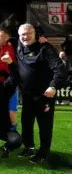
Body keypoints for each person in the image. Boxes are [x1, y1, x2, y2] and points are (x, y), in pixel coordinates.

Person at [15, 24, 66, 163]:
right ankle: (29, 147)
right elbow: (0, 37)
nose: (25, 36)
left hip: (44, 96)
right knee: (26, 122)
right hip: (27, 95)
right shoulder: (19, 46)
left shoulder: (45, 49)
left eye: (28, 33)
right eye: (22, 34)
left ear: (35, 34)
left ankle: (43, 153)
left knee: (44, 125)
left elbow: (60, 69)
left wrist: (53, 87)